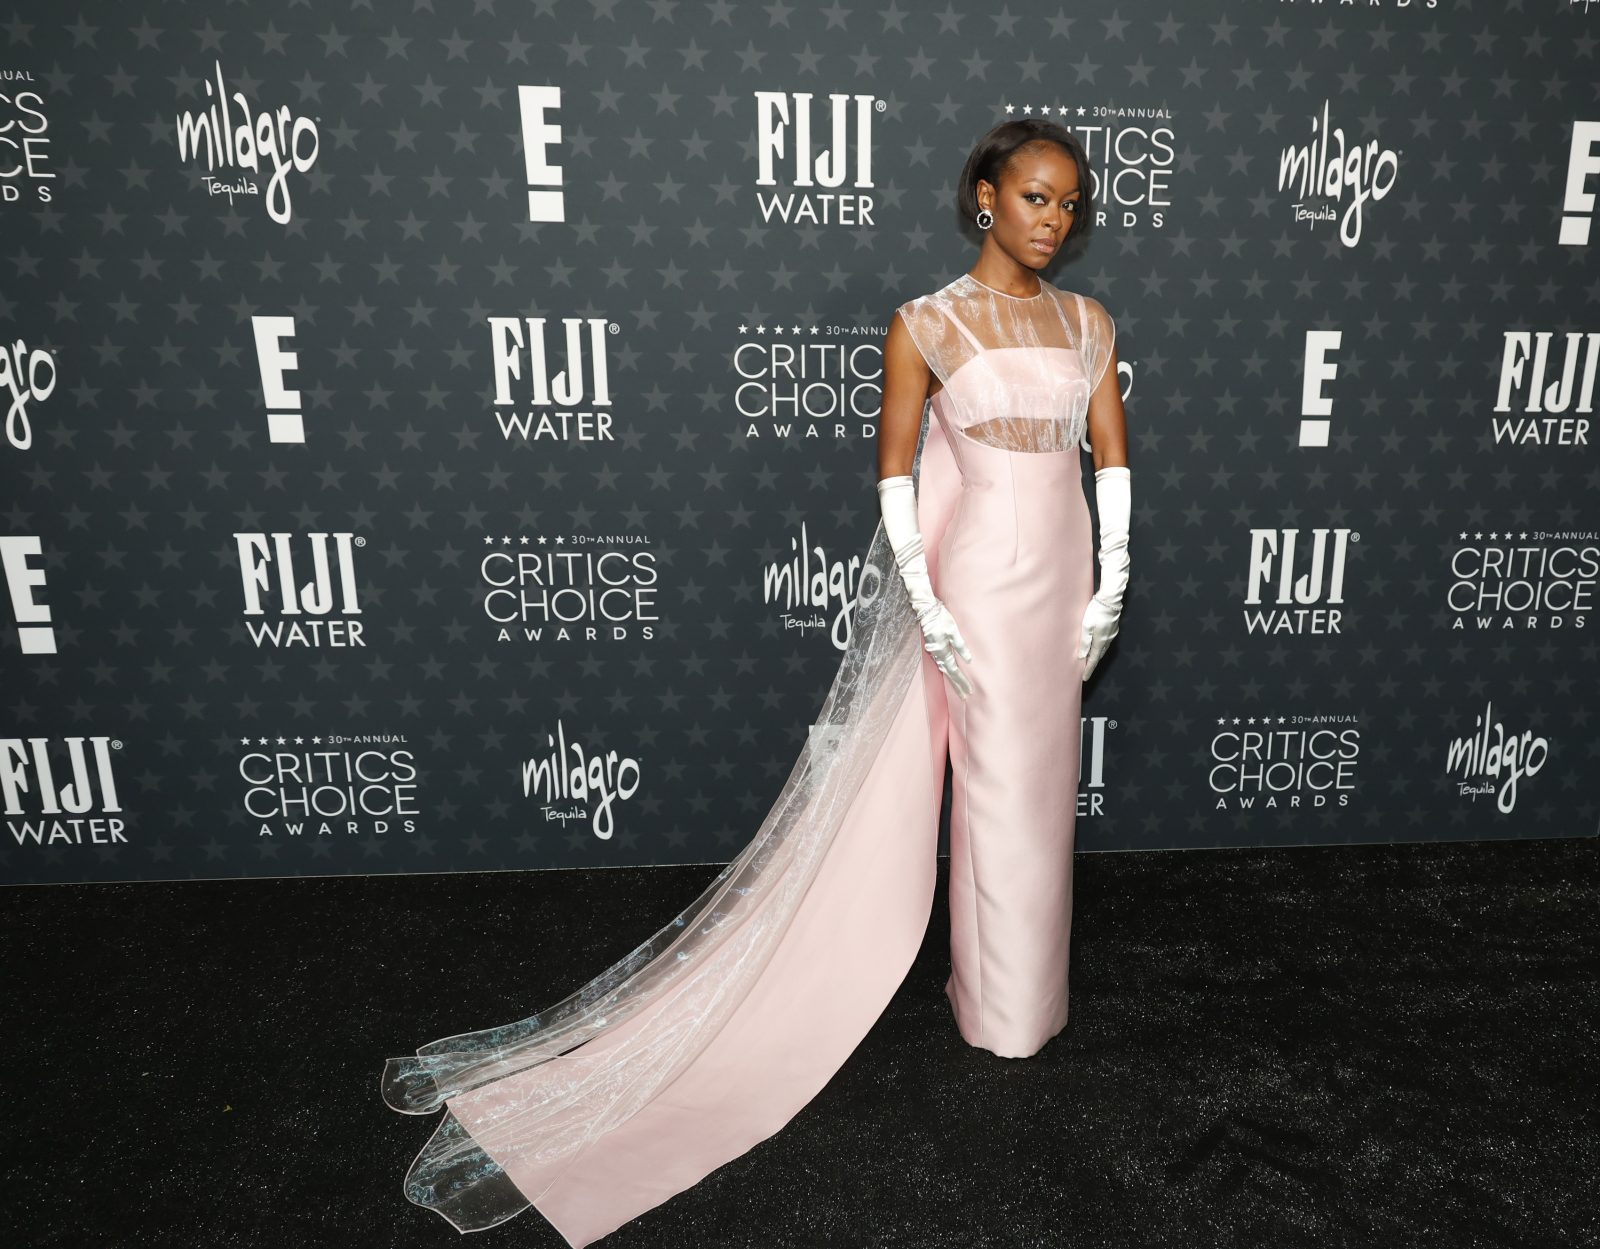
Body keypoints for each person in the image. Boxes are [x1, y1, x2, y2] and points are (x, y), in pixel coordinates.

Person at [379, 118, 1131, 1248]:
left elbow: (1109, 458)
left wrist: (1114, 578)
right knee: (988, 791)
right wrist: (925, 607)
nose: (1053, 220)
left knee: (1033, 797)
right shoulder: (924, 323)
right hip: (974, 584)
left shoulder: (1086, 322)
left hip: (1065, 580)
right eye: (1034, 196)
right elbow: (892, 478)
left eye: (1070, 204)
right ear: (984, 196)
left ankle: (1018, 1001)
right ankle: (998, 1012)